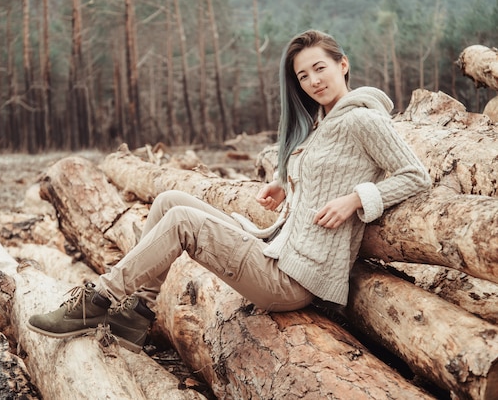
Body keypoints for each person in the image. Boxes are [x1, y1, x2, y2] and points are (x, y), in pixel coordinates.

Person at [27, 29, 431, 353]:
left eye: (319, 68)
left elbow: (415, 174)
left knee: (184, 221)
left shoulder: (363, 120)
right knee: (170, 200)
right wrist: (284, 183)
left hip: (294, 280)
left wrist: (356, 200)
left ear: (343, 65)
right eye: (303, 76)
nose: (312, 81)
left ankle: (97, 300)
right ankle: (136, 313)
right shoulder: (322, 124)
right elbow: (324, 171)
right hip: (277, 250)